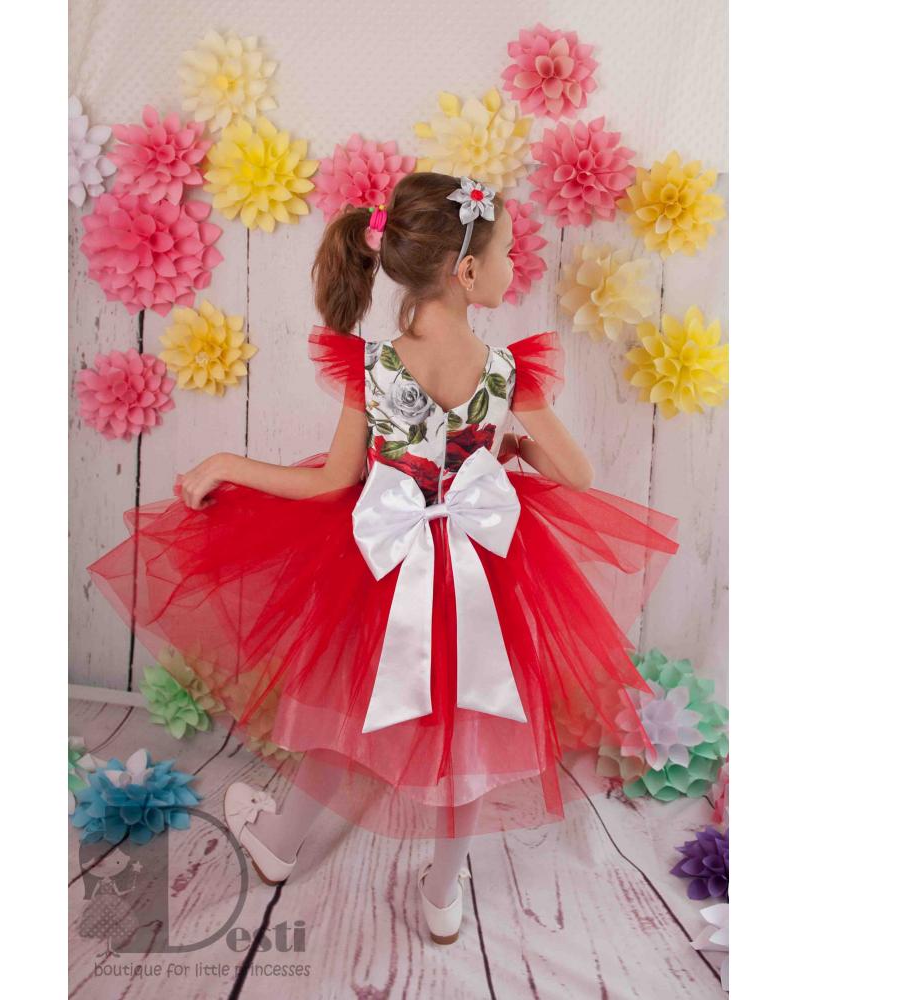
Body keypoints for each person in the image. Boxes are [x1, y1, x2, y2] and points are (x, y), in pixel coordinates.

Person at [86, 172, 680, 946]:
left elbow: (332, 481)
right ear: (467, 270)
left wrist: (229, 463)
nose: (514, 267)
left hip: (383, 569)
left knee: (347, 714)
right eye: (508, 253)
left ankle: (279, 844)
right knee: (470, 728)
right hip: (478, 573)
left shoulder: (372, 366)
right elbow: (579, 474)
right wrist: (515, 447)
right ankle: (442, 892)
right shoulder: (507, 369)